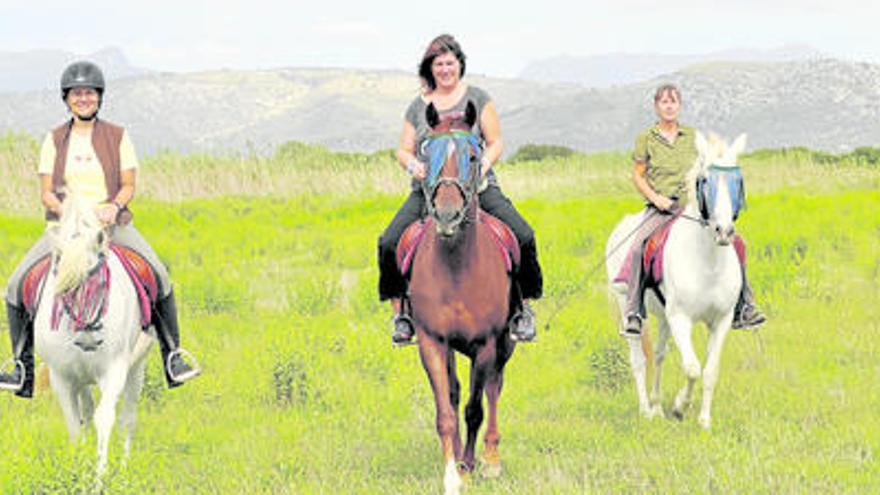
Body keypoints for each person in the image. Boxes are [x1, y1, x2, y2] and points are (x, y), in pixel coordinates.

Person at [0, 61, 200, 397]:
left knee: (159, 275)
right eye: (77, 94)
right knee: (15, 284)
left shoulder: (118, 136)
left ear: (99, 97)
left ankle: (173, 356)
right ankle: (21, 366)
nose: (83, 99)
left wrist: (114, 206)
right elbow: (47, 192)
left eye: (89, 93)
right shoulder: (53, 140)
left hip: (111, 226)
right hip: (65, 229)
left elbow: (128, 184)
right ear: (67, 99)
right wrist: (70, 213)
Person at [377, 34, 543, 345]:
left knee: (523, 235)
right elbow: (403, 150)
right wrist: (415, 166)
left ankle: (523, 310)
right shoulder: (418, 106)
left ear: (459, 65)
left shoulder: (478, 99)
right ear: (430, 68)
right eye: (438, 63)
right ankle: (402, 315)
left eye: (449, 62)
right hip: (428, 192)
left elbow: (495, 142)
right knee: (388, 242)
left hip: (477, 188)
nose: (444, 69)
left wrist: (482, 167)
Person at [623, 83, 766, 335]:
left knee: (738, 243)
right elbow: (637, 176)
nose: (669, 106)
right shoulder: (646, 138)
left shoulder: (693, 138)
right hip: (661, 207)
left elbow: (709, 172)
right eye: (664, 102)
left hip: (691, 208)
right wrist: (656, 199)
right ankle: (634, 311)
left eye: (674, 102)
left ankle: (744, 306)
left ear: (680, 106)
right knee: (638, 247)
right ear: (657, 106)